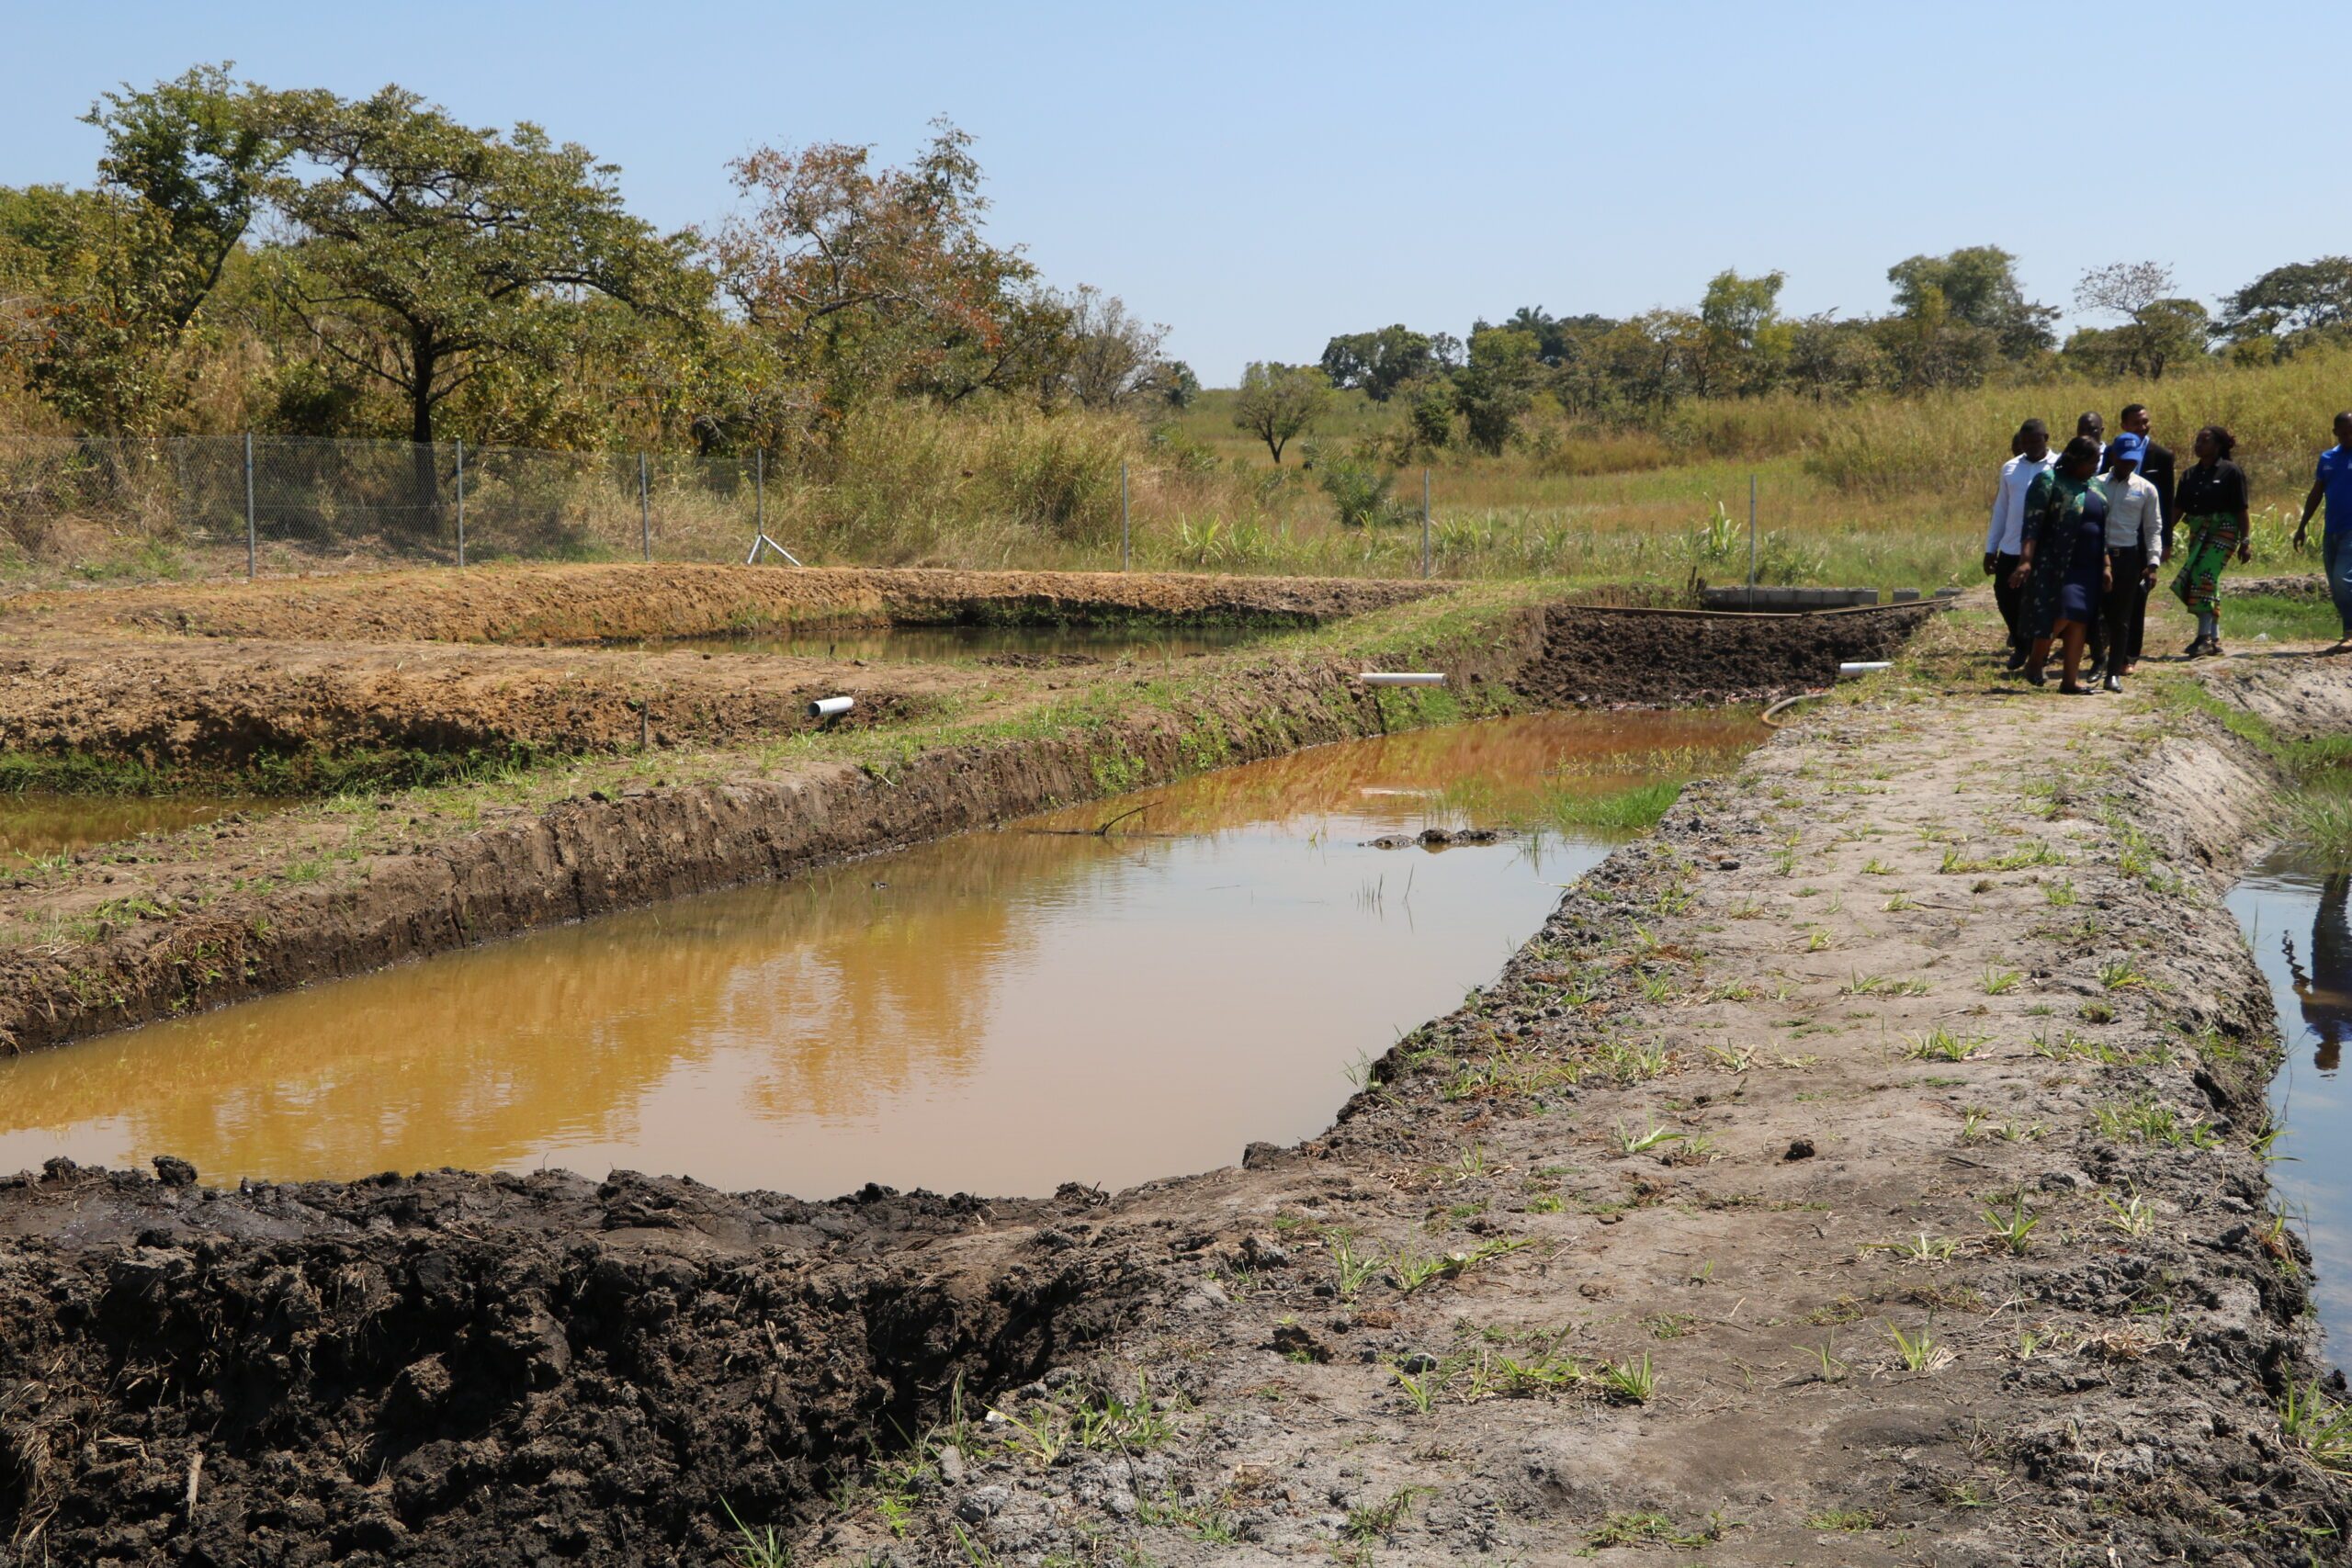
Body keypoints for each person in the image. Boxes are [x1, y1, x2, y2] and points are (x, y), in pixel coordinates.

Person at [2012, 435, 2110, 693]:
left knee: (2080, 619)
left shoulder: (2095, 486)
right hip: (2059, 561)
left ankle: (2069, 681)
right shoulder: (2049, 481)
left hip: (2090, 562)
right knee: (2065, 611)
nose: (2096, 467)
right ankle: (2035, 660)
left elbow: (2102, 530)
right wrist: (2025, 560)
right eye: (2092, 461)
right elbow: (2031, 524)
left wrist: (2107, 565)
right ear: (2075, 459)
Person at [2173, 424, 2252, 657]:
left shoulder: (2231, 472)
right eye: (2197, 440)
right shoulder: (2189, 474)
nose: (2198, 445)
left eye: (2204, 441)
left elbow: (2241, 510)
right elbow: (2178, 509)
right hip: (2198, 532)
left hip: (2224, 531)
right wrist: (2163, 534)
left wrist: (2246, 541)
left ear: (2218, 446)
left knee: (2203, 575)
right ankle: (2214, 638)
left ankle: (2203, 636)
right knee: (2207, 580)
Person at [2093, 433, 2163, 693]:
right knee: (2092, 613)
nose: (2128, 465)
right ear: (2113, 457)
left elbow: (2153, 528)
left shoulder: (2146, 489)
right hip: (2097, 557)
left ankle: (2113, 673)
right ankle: (2098, 658)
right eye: (2123, 460)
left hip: (2128, 558)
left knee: (2122, 618)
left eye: (2133, 461)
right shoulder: (2096, 484)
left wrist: (2153, 563)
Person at [1984, 419, 2056, 669]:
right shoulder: (2010, 468)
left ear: (2046, 437)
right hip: (2012, 546)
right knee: (2005, 596)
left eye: (2035, 441)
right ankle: (2020, 642)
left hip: (2044, 548)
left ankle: (2038, 652)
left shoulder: (2058, 466)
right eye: (2025, 443)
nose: (2030, 447)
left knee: (2040, 602)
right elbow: (2001, 509)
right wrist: (1990, 547)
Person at [2116, 403, 2176, 670]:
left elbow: (2167, 502)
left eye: (2145, 422)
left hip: (2144, 536)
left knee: (2138, 597)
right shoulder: (2113, 452)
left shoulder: (2161, 456)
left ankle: (2130, 655)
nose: (2142, 427)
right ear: (2124, 426)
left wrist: (2165, 542)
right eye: (2136, 423)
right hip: (2117, 535)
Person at [2291, 411, 2352, 653]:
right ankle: (2347, 629)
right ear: (2335, 432)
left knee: (2342, 577)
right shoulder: (2327, 458)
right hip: (2333, 530)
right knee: (2336, 583)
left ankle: (2350, 632)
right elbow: (2316, 493)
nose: (2349, 437)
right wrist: (2302, 526)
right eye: (2344, 433)